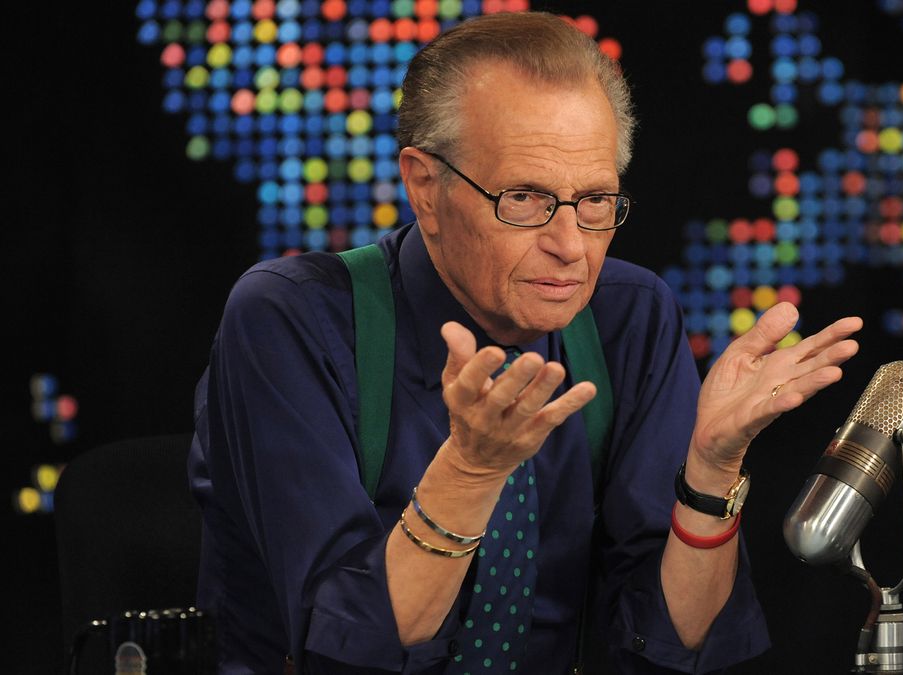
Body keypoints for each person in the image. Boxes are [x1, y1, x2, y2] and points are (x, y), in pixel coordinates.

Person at [188, 11, 862, 674]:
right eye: (524, 197)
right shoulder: (290, 317)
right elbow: (344, 653)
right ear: (426, 187)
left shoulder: (631, 316)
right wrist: (470, 474)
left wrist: (712, 472)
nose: (570, 246)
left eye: (595, 201)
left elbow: (670, 646)